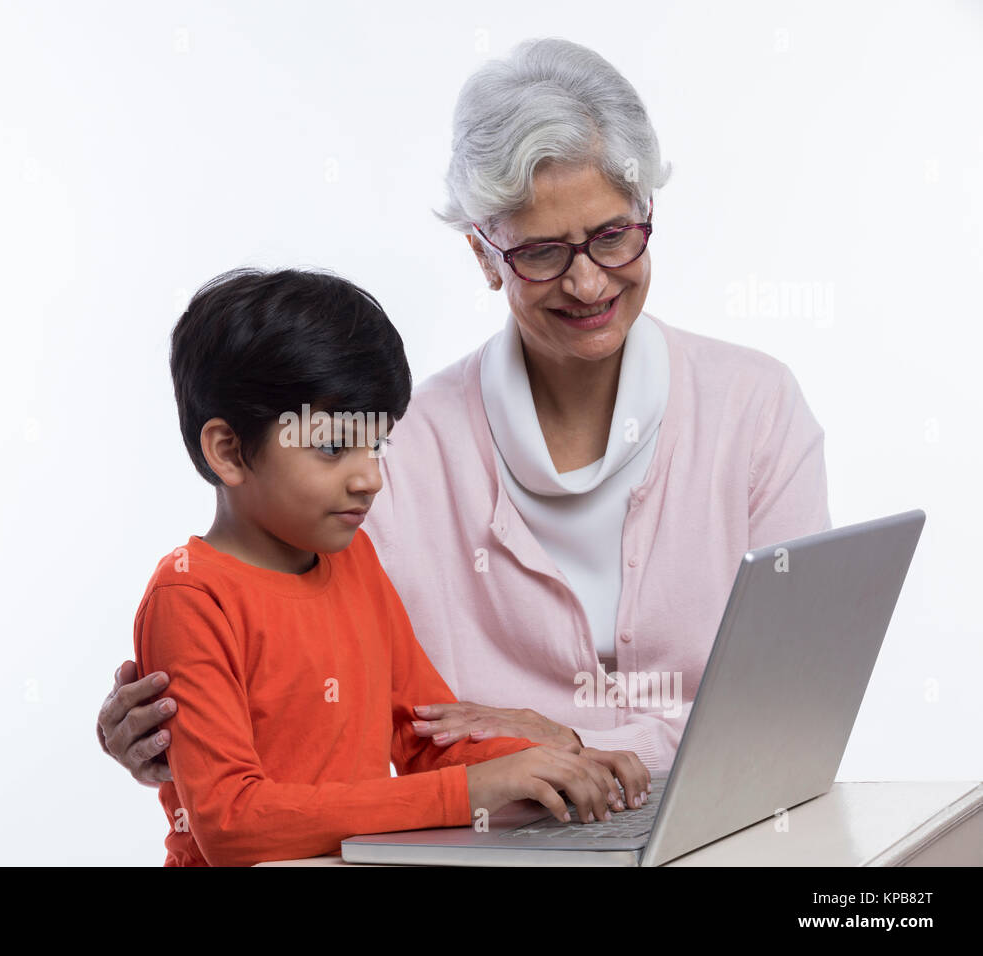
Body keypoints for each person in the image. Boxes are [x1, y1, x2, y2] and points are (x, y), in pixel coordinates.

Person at [100, 36, 826, 809]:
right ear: (483, 254)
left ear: (649, 210)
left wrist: (574, 744)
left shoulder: (756, 408)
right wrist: (184, 731)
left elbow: (798, 701)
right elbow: (295, 663)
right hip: (498, 844)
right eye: (542, 251)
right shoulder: (385, 454)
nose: (587, 281)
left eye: (613, 234)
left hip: (735, 820)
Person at [133, 267, 642, 866]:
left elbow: (429, 738)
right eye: (332, 447)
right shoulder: (191, 595)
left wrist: (552, 765)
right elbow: (232, 824)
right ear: (229, 451)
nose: (369, 477)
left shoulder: (354, 561)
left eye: (377, 445)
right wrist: (468, 792)